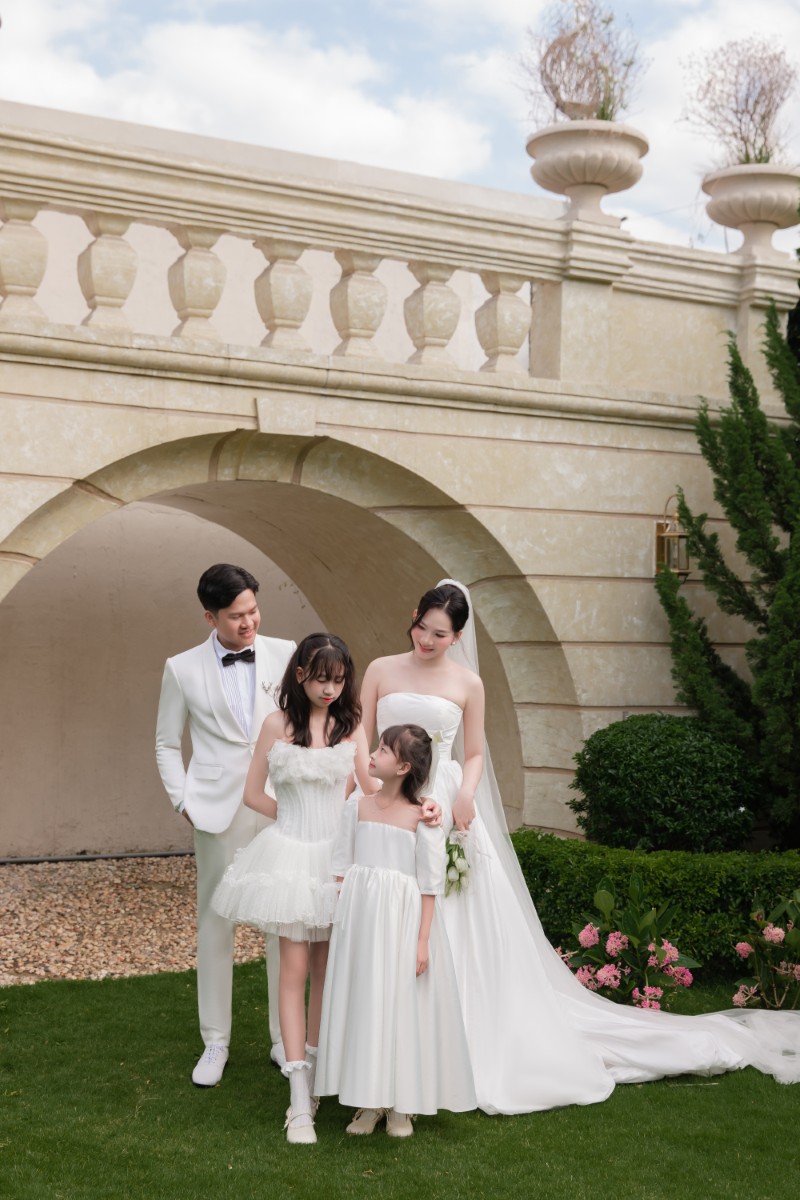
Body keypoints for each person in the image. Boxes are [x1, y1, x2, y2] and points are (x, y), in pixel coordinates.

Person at [359, 579, 800, 1115]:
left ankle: (457, 1042)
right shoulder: (381, 669)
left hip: (444, 802)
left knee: (452, 918)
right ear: (413, 616)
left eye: (441, 634)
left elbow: (474, 753)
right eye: (423, 628)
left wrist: (465, 795)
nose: (428, 641)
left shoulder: (468, 683)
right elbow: (361, 736)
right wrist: (367, 790)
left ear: (457, 637)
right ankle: (381, 1041)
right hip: (385, 800)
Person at [212, 633, 373, 1145]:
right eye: (321, 678)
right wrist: (292, 816)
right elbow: (252, 793)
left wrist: (420, 804)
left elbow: (371, 790)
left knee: (326, 971)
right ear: (300, 674)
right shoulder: (276, 725)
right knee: (293, 970)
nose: (330, 689)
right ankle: (298, 1098)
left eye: (338, 680)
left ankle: (318, 1081)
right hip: (289, 857)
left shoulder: (351, 726)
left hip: (337, 861)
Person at [155, 563, 295, 1088]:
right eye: (236, 616)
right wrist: (183, 801)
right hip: (215, 810)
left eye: (253, 611)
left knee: (284, 920)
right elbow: (166, 743)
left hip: (281, 805)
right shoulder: (181, 668)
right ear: (210, 617)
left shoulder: (286, 653)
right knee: (216, 923)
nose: (249, 622)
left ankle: (284, 1039)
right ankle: (215, 1041)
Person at [315, 724, 476, 1137]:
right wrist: (341, 922)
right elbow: (341, 866)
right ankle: (369, 1100)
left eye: (384, 750)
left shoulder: (423, 818)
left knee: (402, 1005)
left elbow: (429, 885)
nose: (372, 753)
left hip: (403, 922)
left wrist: (422, 941)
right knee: (367, 1002)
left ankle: (403, 1104)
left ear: (403, 767)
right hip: (362, 923)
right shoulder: (357, 807)